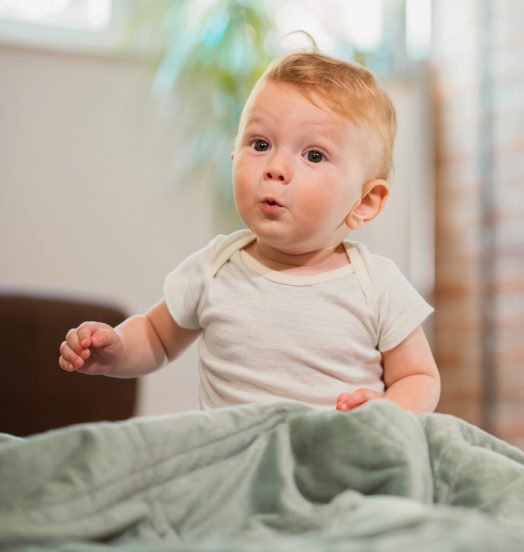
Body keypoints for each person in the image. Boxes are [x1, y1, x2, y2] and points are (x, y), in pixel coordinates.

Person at [57, 52, 440, 413]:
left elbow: (418, 376)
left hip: (334, 466)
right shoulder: (215, 268)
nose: (275, 168)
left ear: (365, 201)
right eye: (260, 144)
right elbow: (156, 338)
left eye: (314, 155)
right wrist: (118, 349)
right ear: (233, 156)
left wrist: (389, 411)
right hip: (233, 466)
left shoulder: (377, 285)